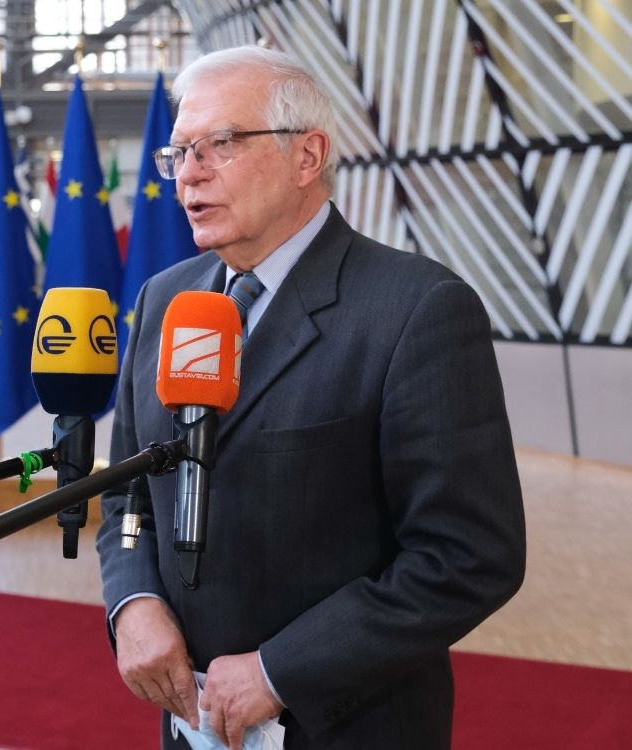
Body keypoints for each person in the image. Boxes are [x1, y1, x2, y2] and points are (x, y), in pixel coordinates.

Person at [96, 45, 526, 750]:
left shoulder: (417, 310)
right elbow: (129, 499)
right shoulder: (163, 299)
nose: (190, 174)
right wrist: (134, 601)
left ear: (307, 156)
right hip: (189, 726)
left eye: (221, 144)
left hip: (347, 726)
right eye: (179, 153)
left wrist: (280, 670)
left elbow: (469, 555)